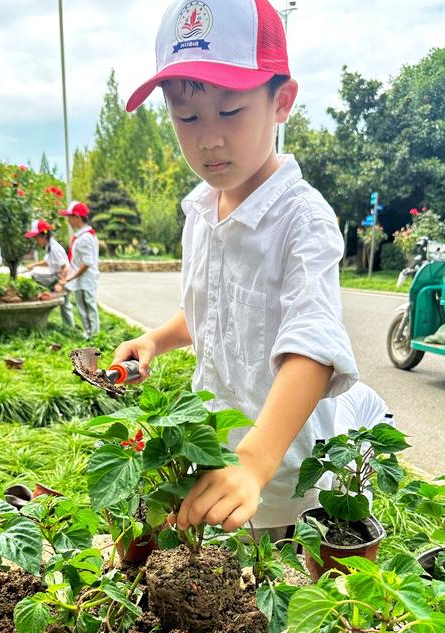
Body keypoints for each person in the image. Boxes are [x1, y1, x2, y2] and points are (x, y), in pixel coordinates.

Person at [113, 0, 358, 538]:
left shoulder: (303, 218)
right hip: (215, 463)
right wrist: (156, 339)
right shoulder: (200, 210)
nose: (208, 138)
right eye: (186, 116)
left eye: (229, 112)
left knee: (280, 603)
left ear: (282, 101)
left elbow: (313, 345)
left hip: (282, 482)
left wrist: (254, 461)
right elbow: (207, 309)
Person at [57, 201, 99, 338]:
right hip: (82, 280)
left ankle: (93, 336)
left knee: (87, 308)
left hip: (85, 280)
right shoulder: (83, 236)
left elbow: (87, 263)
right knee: (84, 307)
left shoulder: (84, 238)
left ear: (77, 217)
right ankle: (89, 333)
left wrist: (70, 277)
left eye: (70, 217)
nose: (68, 221)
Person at [24, 219, 72, 326]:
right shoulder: (50, 246)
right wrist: (34, 265)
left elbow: (65, 267)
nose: (36, 241)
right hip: (57, 276)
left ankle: (70, 327)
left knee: (65, 305)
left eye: (36, 237)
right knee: (65, 305)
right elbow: (48, 262)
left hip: (61, 277)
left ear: (44, 236)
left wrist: (60, 283)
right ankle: (69, 327)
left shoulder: (54, 248)